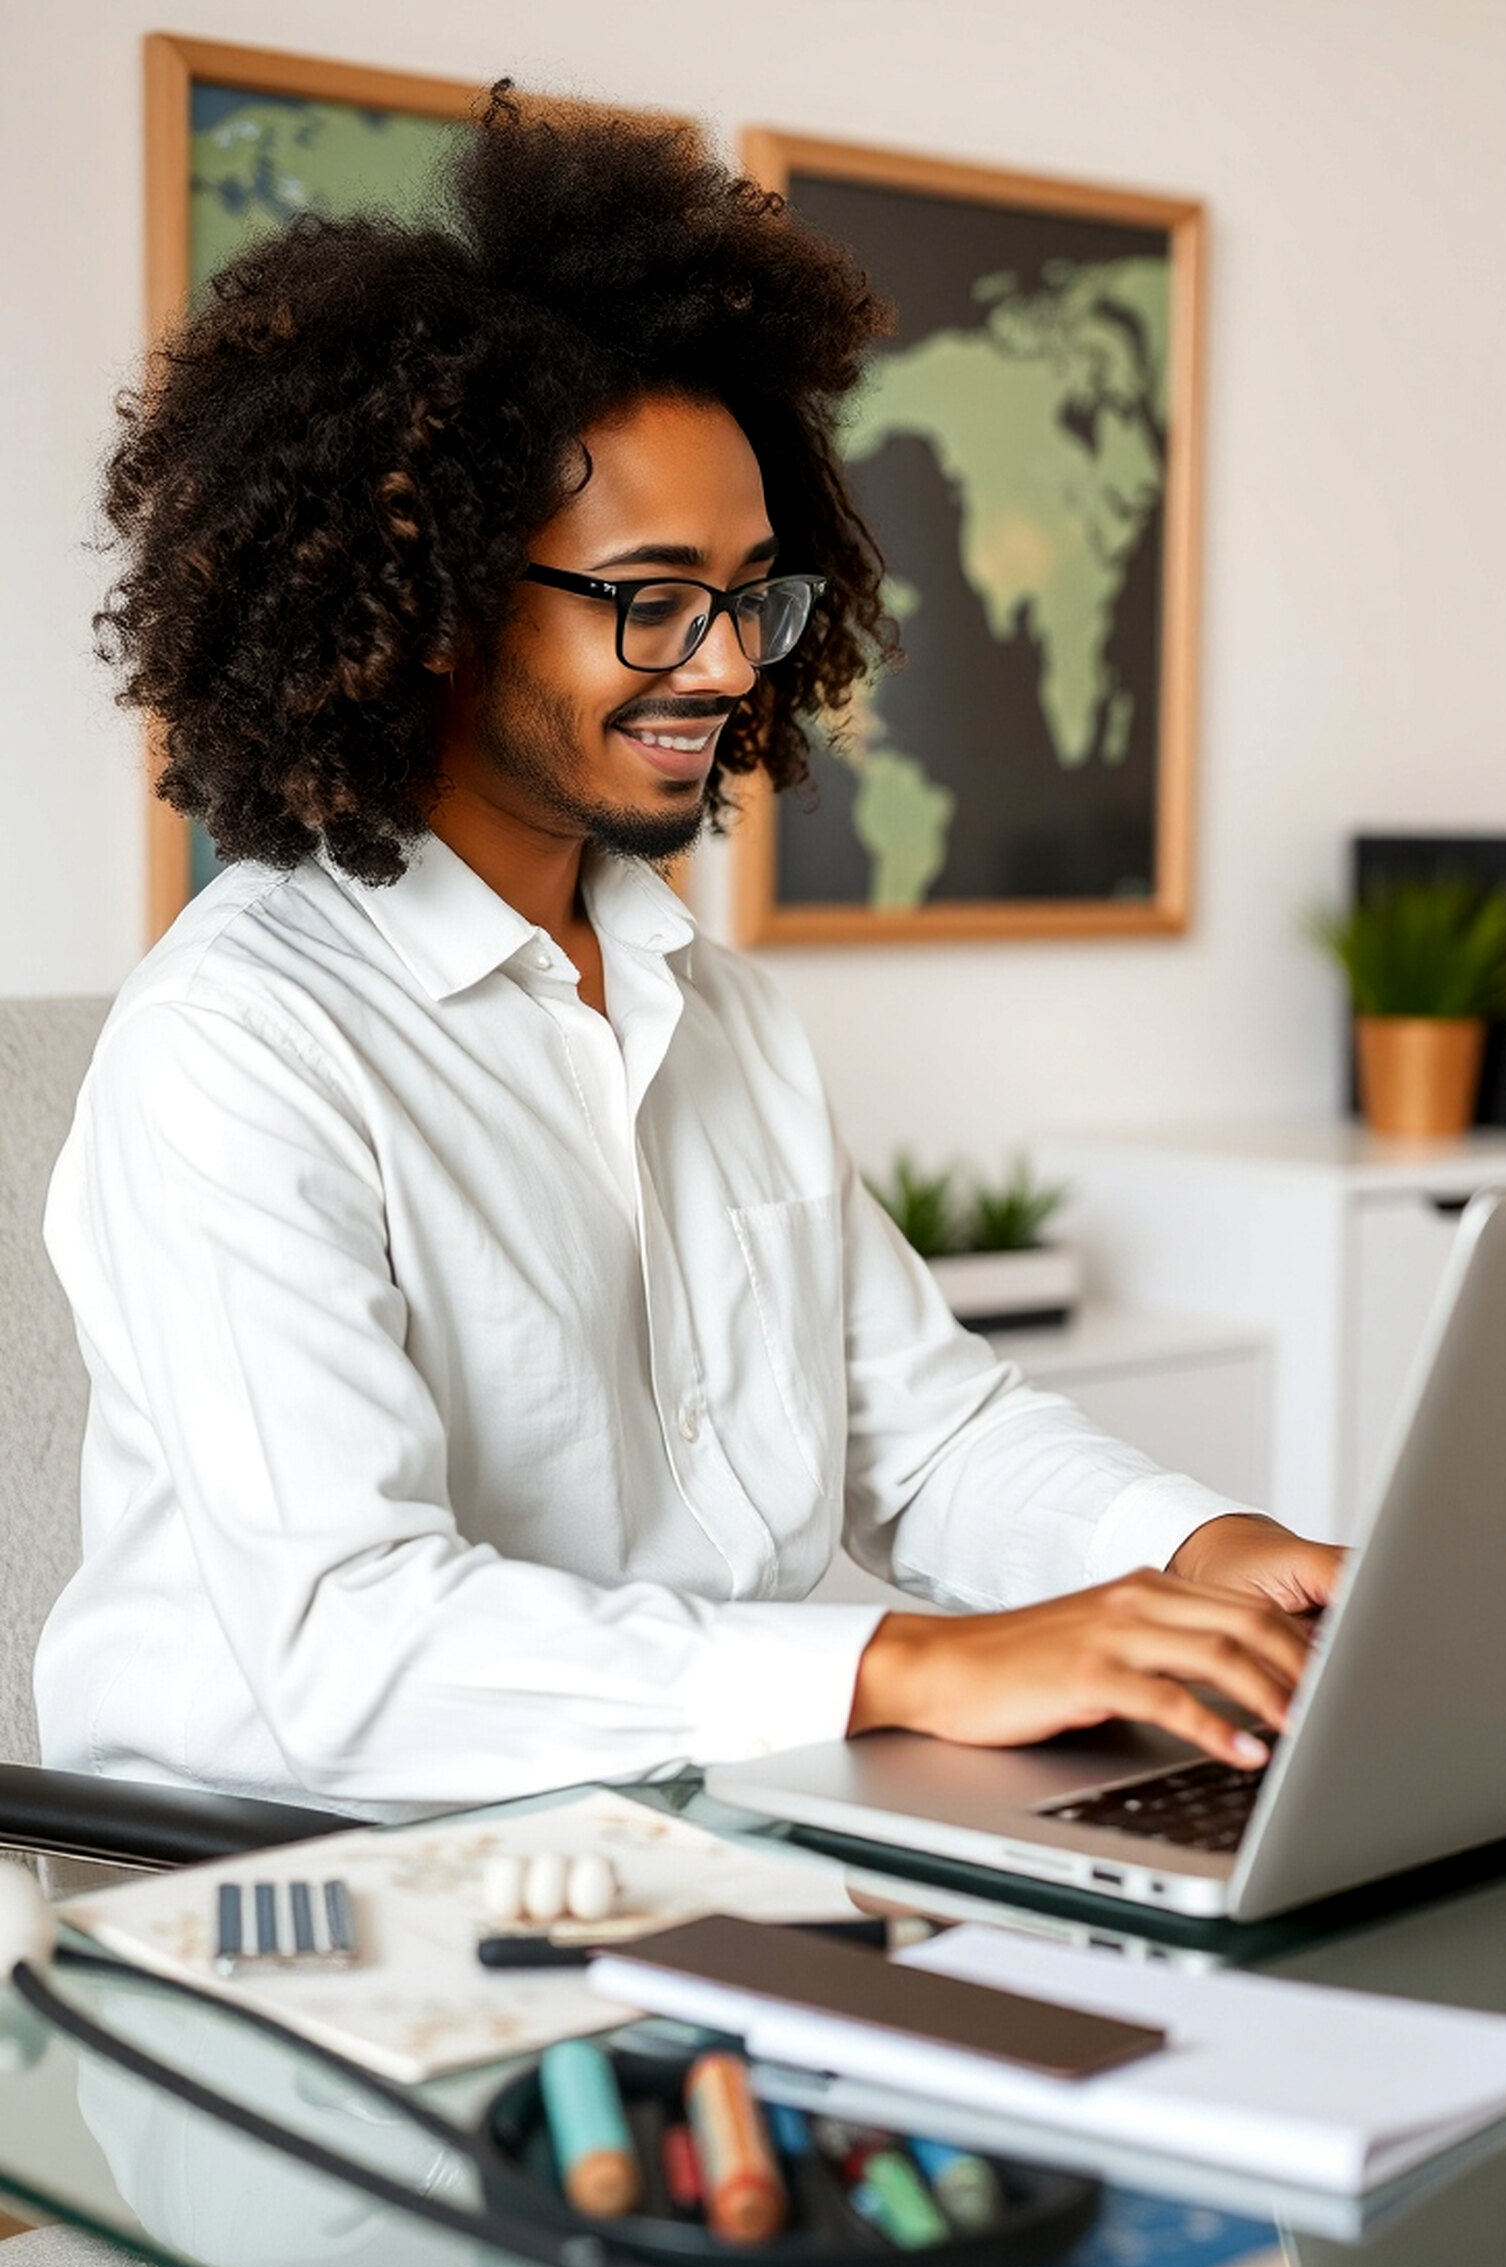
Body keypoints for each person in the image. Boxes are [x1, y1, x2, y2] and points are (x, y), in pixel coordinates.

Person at [36, 94, 1340, 1819]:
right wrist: (903, 1664)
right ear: (435, 603)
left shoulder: (710, 1012)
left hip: (680, 1833)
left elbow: (919, 1428)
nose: (727, 668)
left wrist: (1197, 1548)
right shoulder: (238, 1044)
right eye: (653, 597)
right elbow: (356, 1645)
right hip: (286, 1905)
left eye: (753, 595)